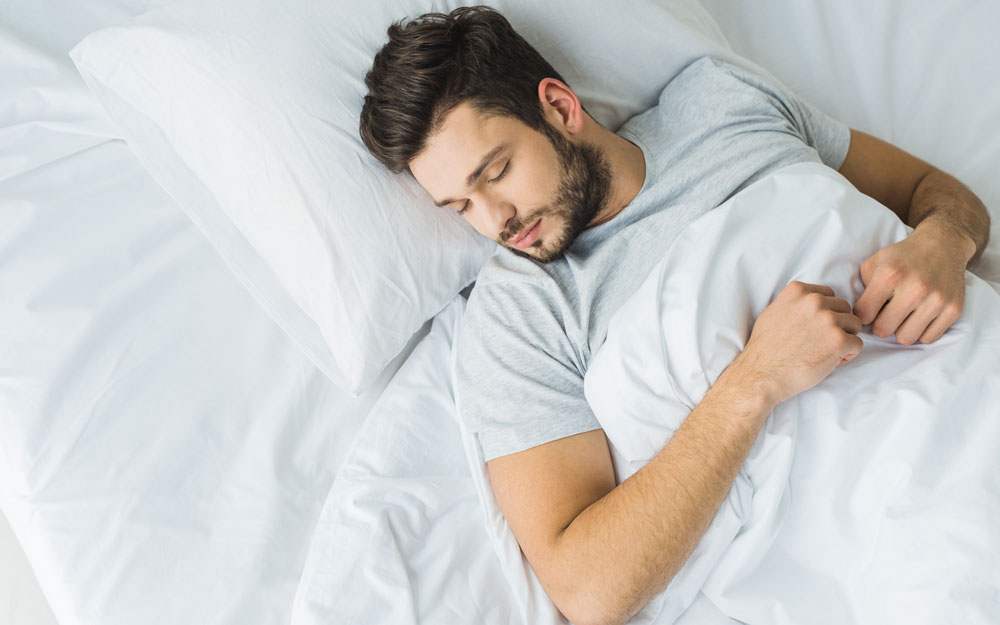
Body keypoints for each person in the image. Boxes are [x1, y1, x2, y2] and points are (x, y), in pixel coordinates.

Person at [358, 6, 991, 625]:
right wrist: (755, 380)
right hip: (901, 525)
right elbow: (589, 589)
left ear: (558, 106)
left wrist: (945, 242)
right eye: (461, 206)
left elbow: (930, 193)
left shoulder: (723, 100)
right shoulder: (519, 313)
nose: (496, 220)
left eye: (496, 172)